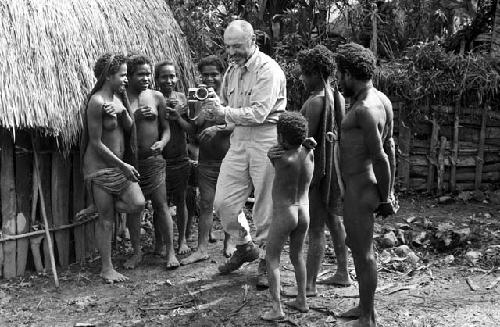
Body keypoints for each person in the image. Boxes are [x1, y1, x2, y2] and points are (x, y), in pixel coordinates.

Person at [201, 19, 287, 288]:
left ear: (253, 41)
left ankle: (266, 258)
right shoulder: (232, 70)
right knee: (223, 202)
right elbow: (226, 105)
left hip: (266, 138)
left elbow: (260, 113)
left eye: (237, 46)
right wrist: (215, 114)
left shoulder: (268, 69)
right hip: (239, 139)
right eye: (228, 46)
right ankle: (244, 245)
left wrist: (224, 113)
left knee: (265, 205)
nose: (231, 52)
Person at [281, 45, 352, 299]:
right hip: (334, 169)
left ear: (314, 73)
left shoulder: (314, 102)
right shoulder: (338, 97)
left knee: (316, 227)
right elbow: (340, 135)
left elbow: (303, 141)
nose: (301, 78)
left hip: (318, 172)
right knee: (334, 220)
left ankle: (309, 284)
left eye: (304, 73)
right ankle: (343, 272)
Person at [336, 43, 396, 327]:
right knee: (358, 247)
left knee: (363, 252)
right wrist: (389, 191)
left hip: (362, 189)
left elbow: (381, 156)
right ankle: (363, 307)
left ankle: (369, 317)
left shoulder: (365, 109)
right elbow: (392, 145)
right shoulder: (383, 100)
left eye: (339, 74)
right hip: (361, 188)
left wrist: (385, 198)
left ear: (348, 74)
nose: (338, 81)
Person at [81, 53, 145, 283]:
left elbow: (129, 127)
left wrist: (123, 112)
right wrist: (123, 166)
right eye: (123, 75)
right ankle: (106, 268)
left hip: (120, 168)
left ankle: (99, 206)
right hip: (100, 168)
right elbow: (96, 143)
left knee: (137, 203)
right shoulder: (96, 102)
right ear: (109, 76)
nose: (126, 79)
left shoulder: (119, 98)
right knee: (106, 221)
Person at [180, 55, 240, 265]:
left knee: (230, 204)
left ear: (222, 74)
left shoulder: (232, 95)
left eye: (214, 74)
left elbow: (239, 122)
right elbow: (194, 129)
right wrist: (186, 114)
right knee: (206, 203)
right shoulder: (197, 96)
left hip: (230, 158)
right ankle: (202, 248)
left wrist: (217, 127)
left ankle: (229, 243)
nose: (209, 78)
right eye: (205, 74)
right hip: (207, 160)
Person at [124, 54, 179, 269]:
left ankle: (170, 252)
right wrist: (134, 118)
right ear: (129, 76)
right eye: (141, 74)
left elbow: (166, 130)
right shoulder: (121, 98)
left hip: (154, 160)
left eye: (148, 74)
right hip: (131, 162)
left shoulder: (156, 97)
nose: (146, 78)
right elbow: (118, 131)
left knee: (161, 204)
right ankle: (137, 253)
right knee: (134, 208)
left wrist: (162, 144)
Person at [262, 112, 314, 321]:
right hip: (304, 212)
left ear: (282, 138)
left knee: (271, 257)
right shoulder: (309, 153)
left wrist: (269, 154)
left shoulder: (280, 158)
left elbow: (274, 159)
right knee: (297, 255)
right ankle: (302, 299)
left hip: (285, 213)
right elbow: (305, 147)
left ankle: (276, 308)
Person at [155, 60, 193, 255]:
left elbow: (191, 130)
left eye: (172, 76)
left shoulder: (183, 100)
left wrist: (178, 115)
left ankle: (183, 240)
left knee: (181, 199)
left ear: (176, 78)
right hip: (160, 159)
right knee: (160, 203)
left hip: (180, 157)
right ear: (157, 79)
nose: (169, 80)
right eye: (164, 76)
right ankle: (159, 242)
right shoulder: (152, 98)